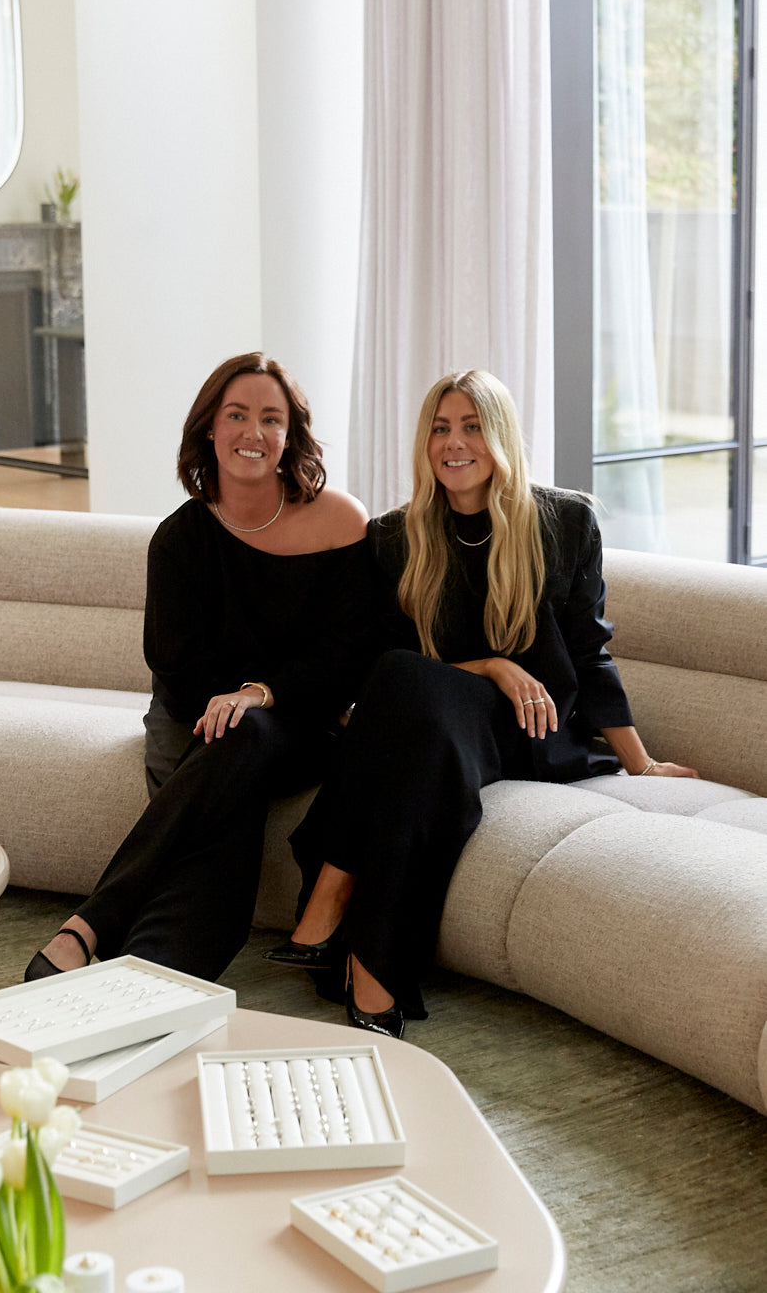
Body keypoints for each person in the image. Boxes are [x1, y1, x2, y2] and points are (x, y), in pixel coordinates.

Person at [266, 368, 698, 1038]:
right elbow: (385, 668)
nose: (454, 443)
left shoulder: (564, 522)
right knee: (409, 708)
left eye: (471, 426)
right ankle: (375, 967)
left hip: (535, 728)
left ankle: (329, 896)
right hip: (436, 730)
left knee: (407, 703)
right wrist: (493, 667)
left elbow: (590, 654)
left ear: (500, 436)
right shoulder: (395, 537)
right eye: (440, 428)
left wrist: (639, 762)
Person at [25, 352, 374, 984]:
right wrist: (234, 708)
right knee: (229, 796)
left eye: (271, 418)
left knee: (243, 732)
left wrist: (261, 694)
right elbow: (176, 666)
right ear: (209, 428)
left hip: (307, 722)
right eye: (236, 415)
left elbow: (347, 656)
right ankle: (152, 981)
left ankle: (91, 923)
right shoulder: (179, 540)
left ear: (290, 434)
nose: (253, 432)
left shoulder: (340, 522)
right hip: (204, 719)